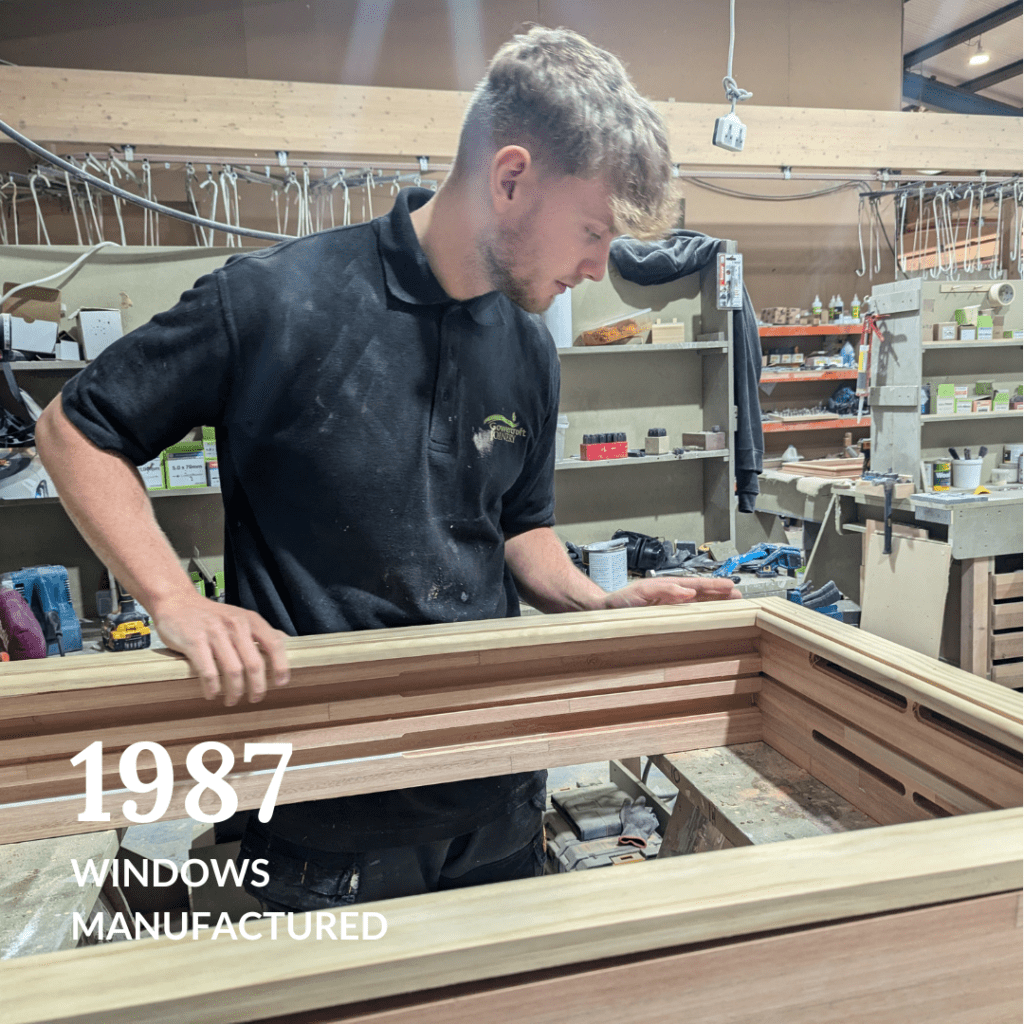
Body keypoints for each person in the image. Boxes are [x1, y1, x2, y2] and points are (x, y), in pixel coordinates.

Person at [35, 25, 739, 910]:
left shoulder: (526, 345)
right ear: (510, 177)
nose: (599, 268)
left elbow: (518, 527)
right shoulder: (274, 301)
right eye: (593, 231)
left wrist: (594, 602)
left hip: (499, 793)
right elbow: (75, 431)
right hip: (321, 822)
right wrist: (174, 601)